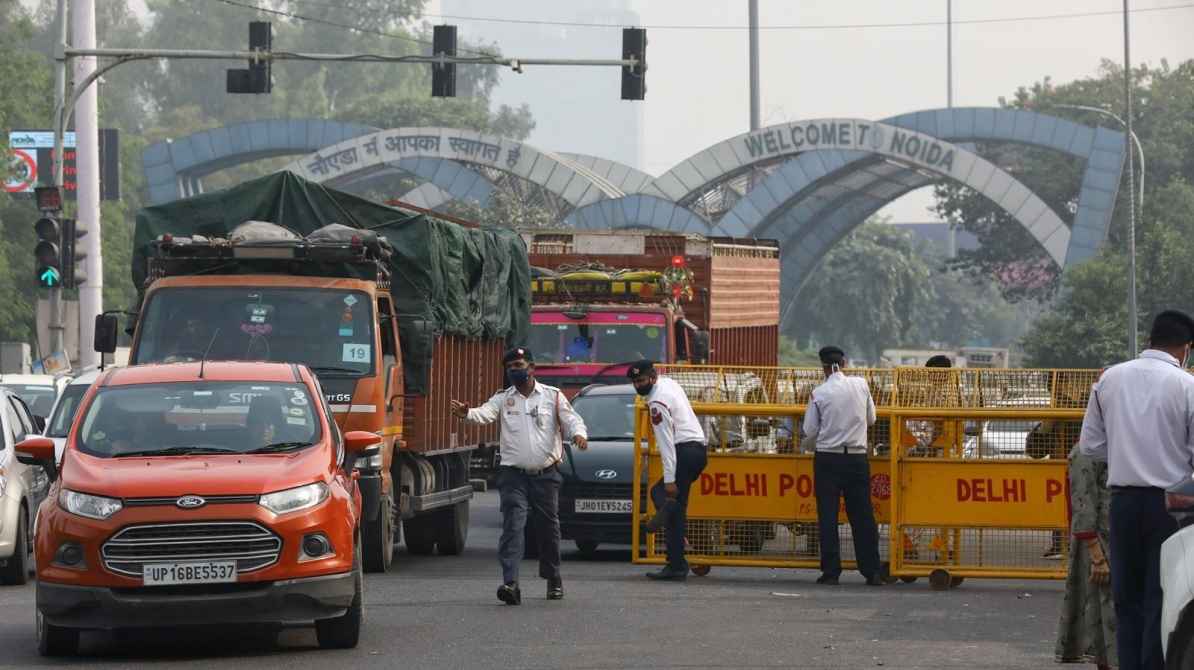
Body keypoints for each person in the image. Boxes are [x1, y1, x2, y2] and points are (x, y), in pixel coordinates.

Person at [1079, 309, 1194, 670]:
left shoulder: (1110, 379)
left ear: (1150, 341)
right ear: (1185, 349)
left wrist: (1128, 453)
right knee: (1160, 599)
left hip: (1123, 503)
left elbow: (1090, 447)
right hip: (1171, 506)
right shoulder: (1187, 386)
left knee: (1125, 599)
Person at [451, 347, 588, 605]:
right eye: (510, 366)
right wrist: (467, 414)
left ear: (532, 367)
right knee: (513, 525)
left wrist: (579, 435)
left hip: (546, 475)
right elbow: (484, 413)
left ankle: (553, 577)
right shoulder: (504, 399)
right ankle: (510, 582)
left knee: (548, 528)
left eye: (519, 365)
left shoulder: (552, 396)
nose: (515, 370)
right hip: (513, 475)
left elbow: (572, 420)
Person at [802, 345, 883, 586]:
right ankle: (872, 571)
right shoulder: (861, 384)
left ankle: (831, 572)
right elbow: (871, 419)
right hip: (857, 458)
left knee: (827, 516)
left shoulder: (819, 393)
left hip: (828, 459)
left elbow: (810, 431)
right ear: (844, 363)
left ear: (824, 368)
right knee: (863, 516)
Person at [631, 360, 708, 581]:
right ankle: (679, 551)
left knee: (662, 495)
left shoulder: (657, 402)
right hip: (697, 449)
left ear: (653, 378)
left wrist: (670, 480)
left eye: (642, 381)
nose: (638, 385)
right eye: (635, 382)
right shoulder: (669, 383)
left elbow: (666, 444)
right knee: (673, 507)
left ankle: (676, 564)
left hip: (684, 451)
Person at [1055, 442, 1117, 669]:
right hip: (1098, 542)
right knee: (1103, 611)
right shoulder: (1087, 450)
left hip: (1114, 538)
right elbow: (1082, 502)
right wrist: (1096, 554)